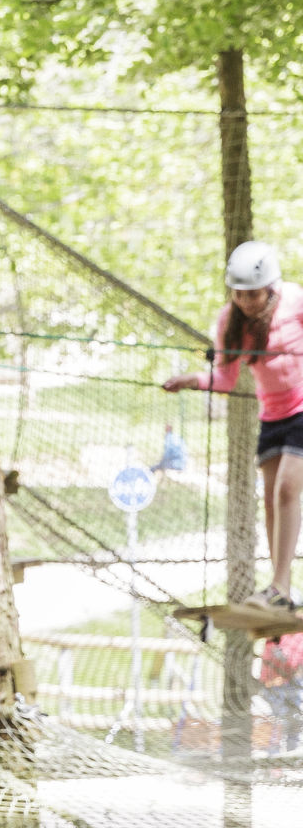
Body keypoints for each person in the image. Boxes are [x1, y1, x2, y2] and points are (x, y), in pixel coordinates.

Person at [164, 241, 303, 624]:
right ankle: (283, 591)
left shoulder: (295, 301)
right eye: (238, 293)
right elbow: (224, 378)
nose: (245, 301)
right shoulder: (231, 320)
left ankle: (276, 586)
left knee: (288, 489)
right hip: (272, 415)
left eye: (253, 294)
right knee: (273, 502)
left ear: (270, 288)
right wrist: (192, 379)